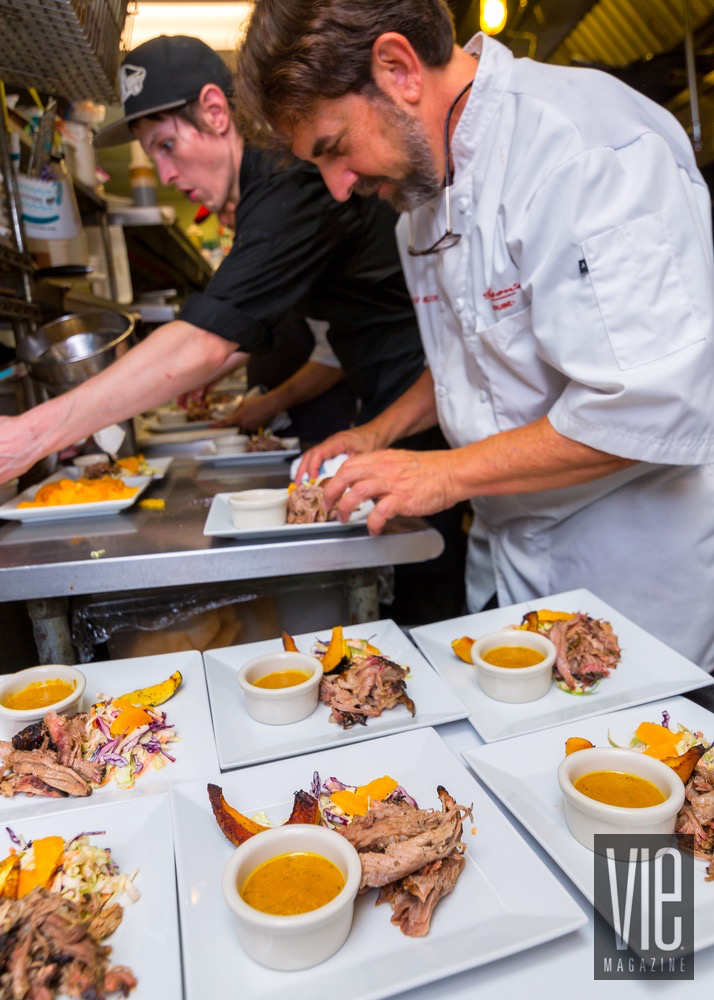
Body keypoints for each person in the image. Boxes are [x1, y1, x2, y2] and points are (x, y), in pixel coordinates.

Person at [235, 0, 714, 670]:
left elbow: (649, 402)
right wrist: (381, 432)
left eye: (334, 148)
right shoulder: (419, 206)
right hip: (511, 556)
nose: (338, 188)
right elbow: (476, 348)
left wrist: (446, 473)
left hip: (627, 565)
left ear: (399, 68)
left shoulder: (581, 150)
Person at [0, 34, 465, 621]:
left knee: (428, 596)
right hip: (392, 400)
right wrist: (94, 412)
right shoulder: (266, 193)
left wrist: (30, 434)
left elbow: (204, 340)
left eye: (168, 145)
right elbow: (228, 334)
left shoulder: (291, 180)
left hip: (425, 399)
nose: (165, 173)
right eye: (153, 155)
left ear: (216, 112)